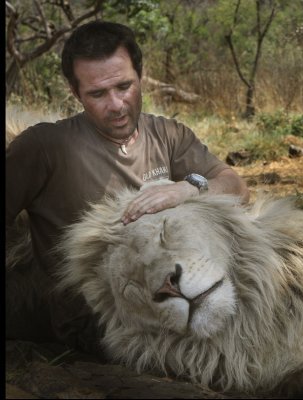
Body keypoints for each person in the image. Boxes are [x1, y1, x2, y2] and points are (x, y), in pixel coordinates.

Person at [6, 20, 249, 354]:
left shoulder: (168, 134)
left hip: (176, 288)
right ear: (75, 93)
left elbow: (235, 186)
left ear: (141, 77)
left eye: (124, 86)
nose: (117, 105)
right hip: (98, 322)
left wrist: (189, 188)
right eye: (98, 94)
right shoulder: (45, 146)